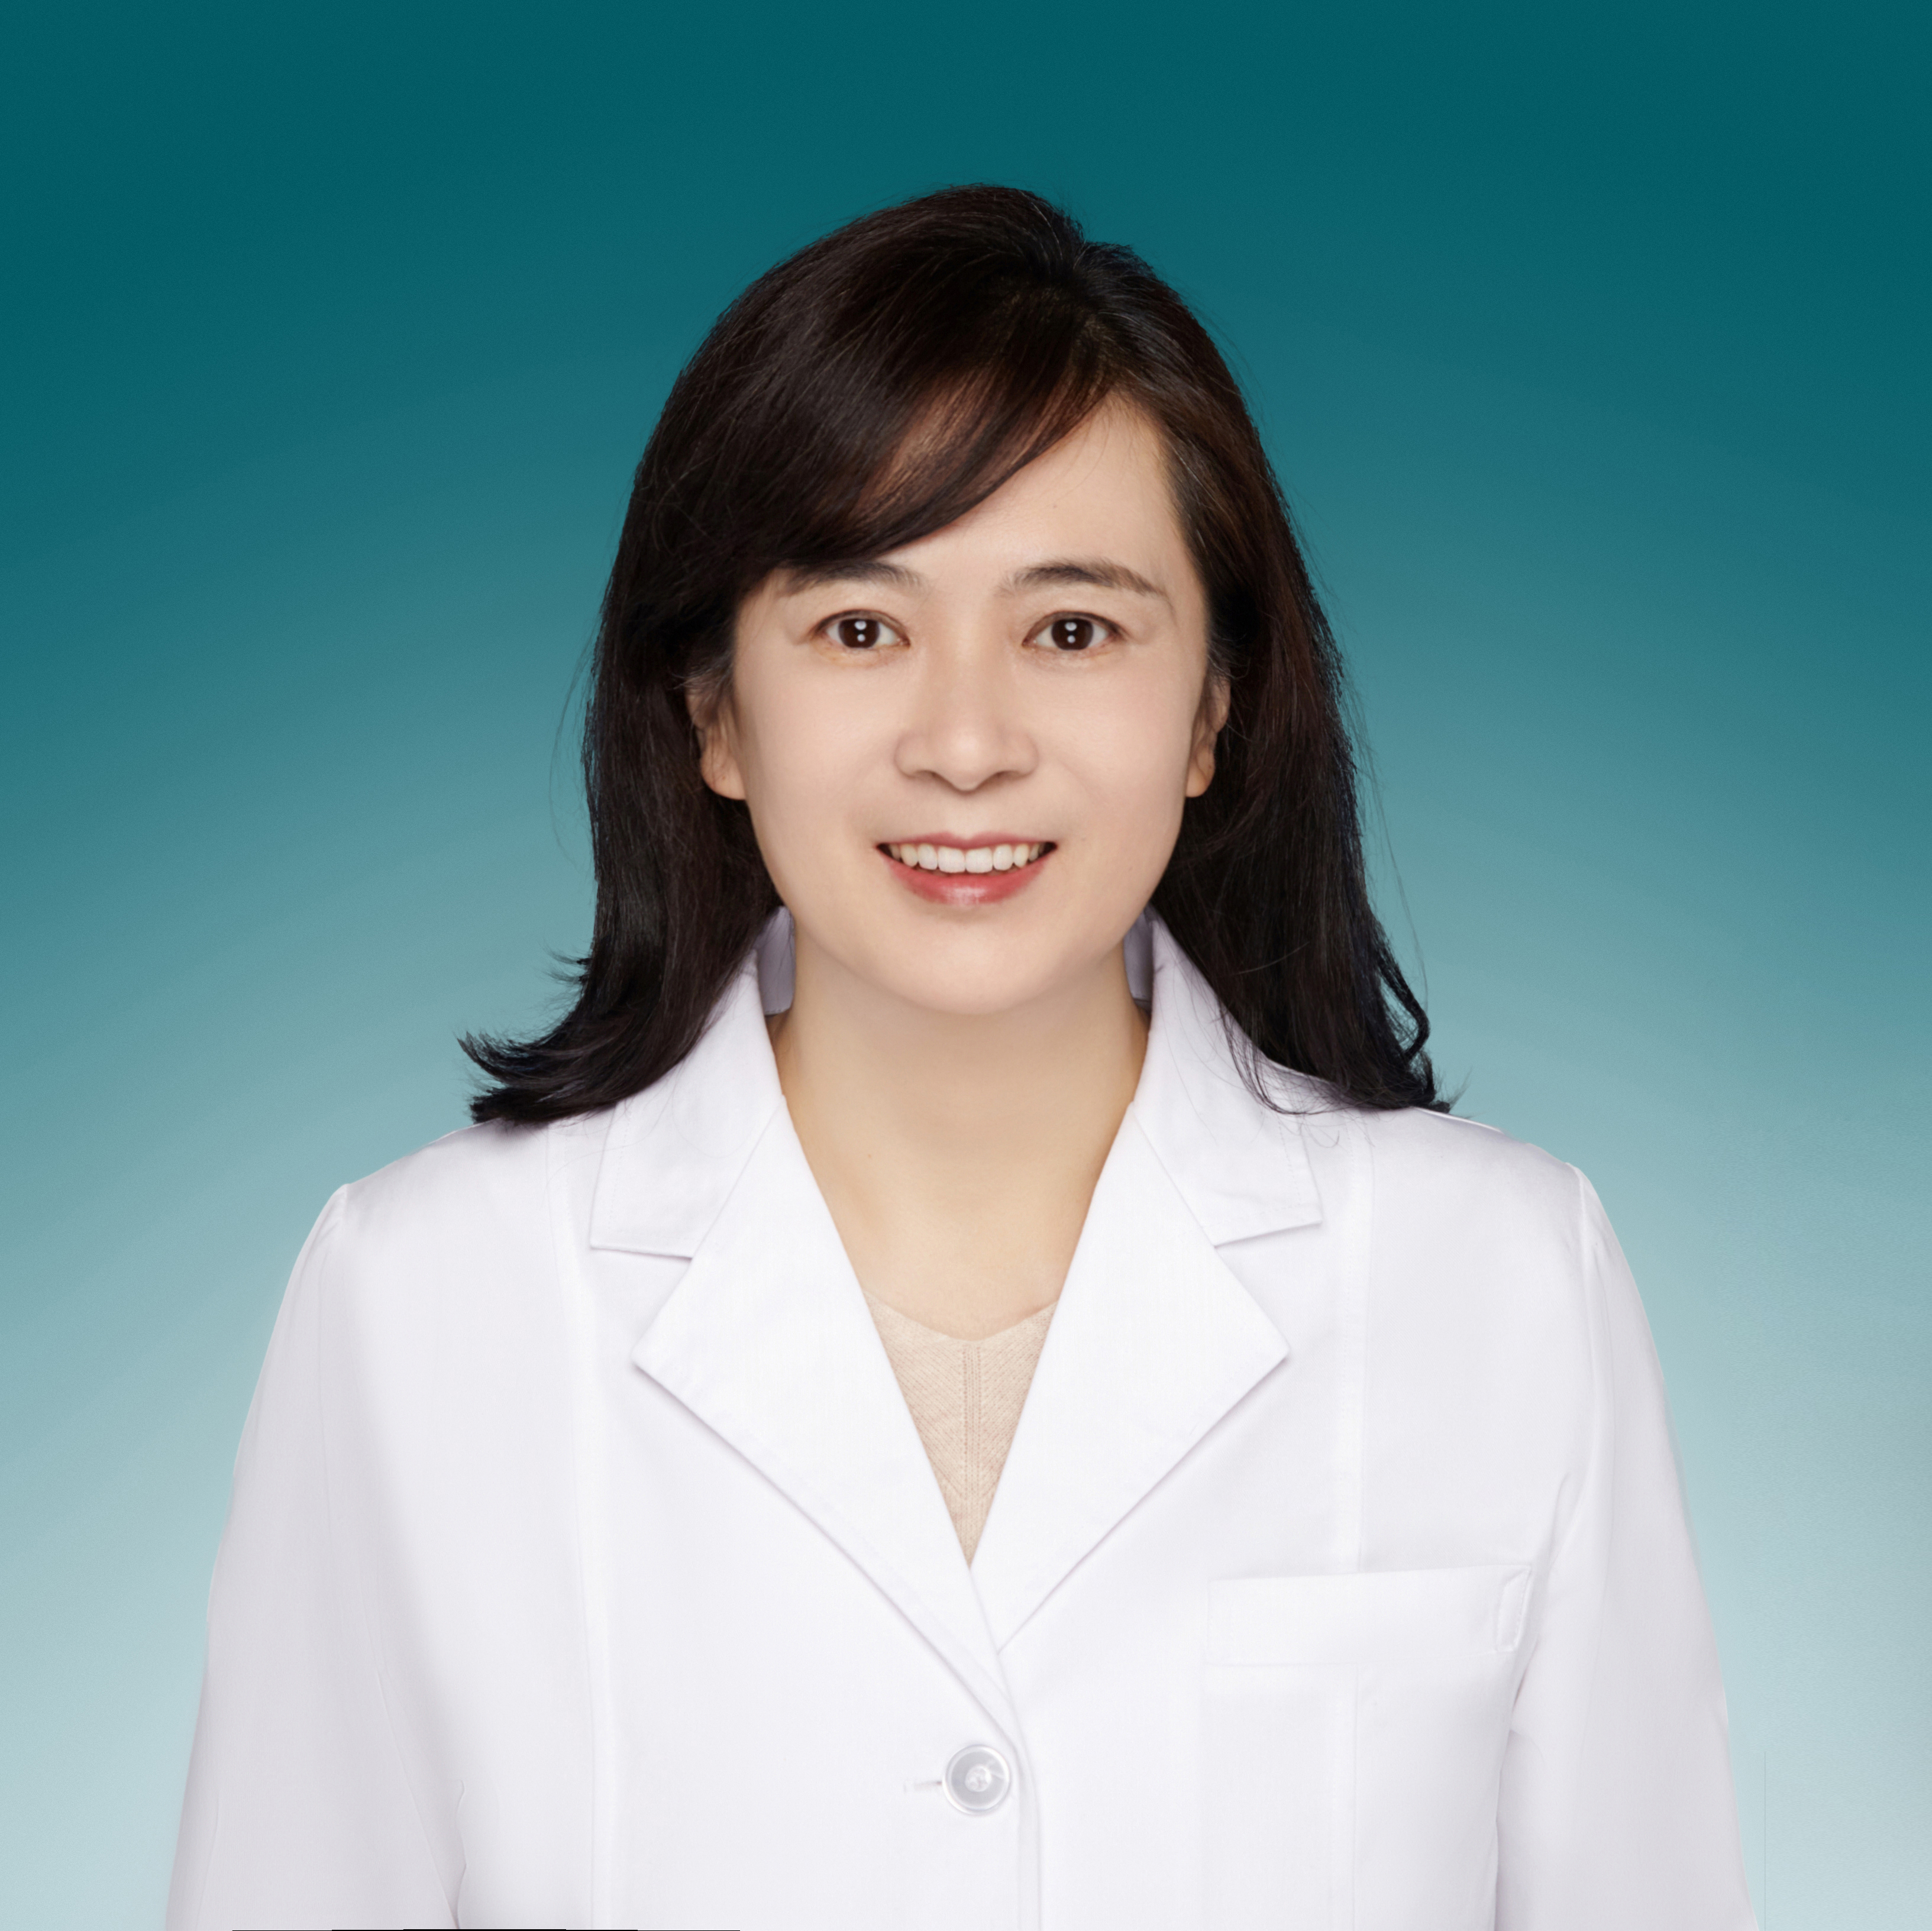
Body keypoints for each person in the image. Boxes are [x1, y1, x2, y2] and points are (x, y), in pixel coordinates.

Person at [166, 185, 1756, 1930]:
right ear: (712, 709)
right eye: (860, 628)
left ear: (1214, 705)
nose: (968, 743)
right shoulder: (424, 1297)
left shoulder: (1501, 1277)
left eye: (1072, 630)